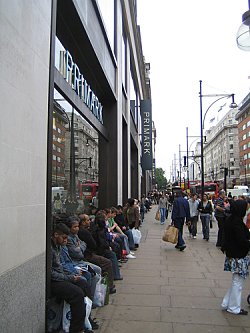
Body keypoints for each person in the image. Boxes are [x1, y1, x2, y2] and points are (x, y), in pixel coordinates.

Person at [51, 222, 93, 333]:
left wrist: (71, 276)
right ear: (56, 235)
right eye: (64, 237)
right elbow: (52, 274)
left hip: (62, 277)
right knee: (77, 293)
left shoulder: (59, 247)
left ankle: (86, 321)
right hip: (54, 281)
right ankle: (76, 329)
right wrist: (69, 278)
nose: (66, 240)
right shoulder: (51, 250)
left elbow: (61, 267)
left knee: (84, 284)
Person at [221, 199, 250, 315]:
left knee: (236, 281)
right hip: (239, 256)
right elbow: (242, 240)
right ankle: (233, 307)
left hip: (233, 255)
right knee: (238, 282)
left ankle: (227, 303)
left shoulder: (231, 219)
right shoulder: (237, 222)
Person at [78, 213, 116, 294]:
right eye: (88, 220)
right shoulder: (85, 232)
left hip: (88, 253)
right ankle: (109, 287)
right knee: (107, 262)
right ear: (83, 222)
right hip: (88, 255)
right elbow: (93, 245)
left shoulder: (88, 230)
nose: (90, 221)